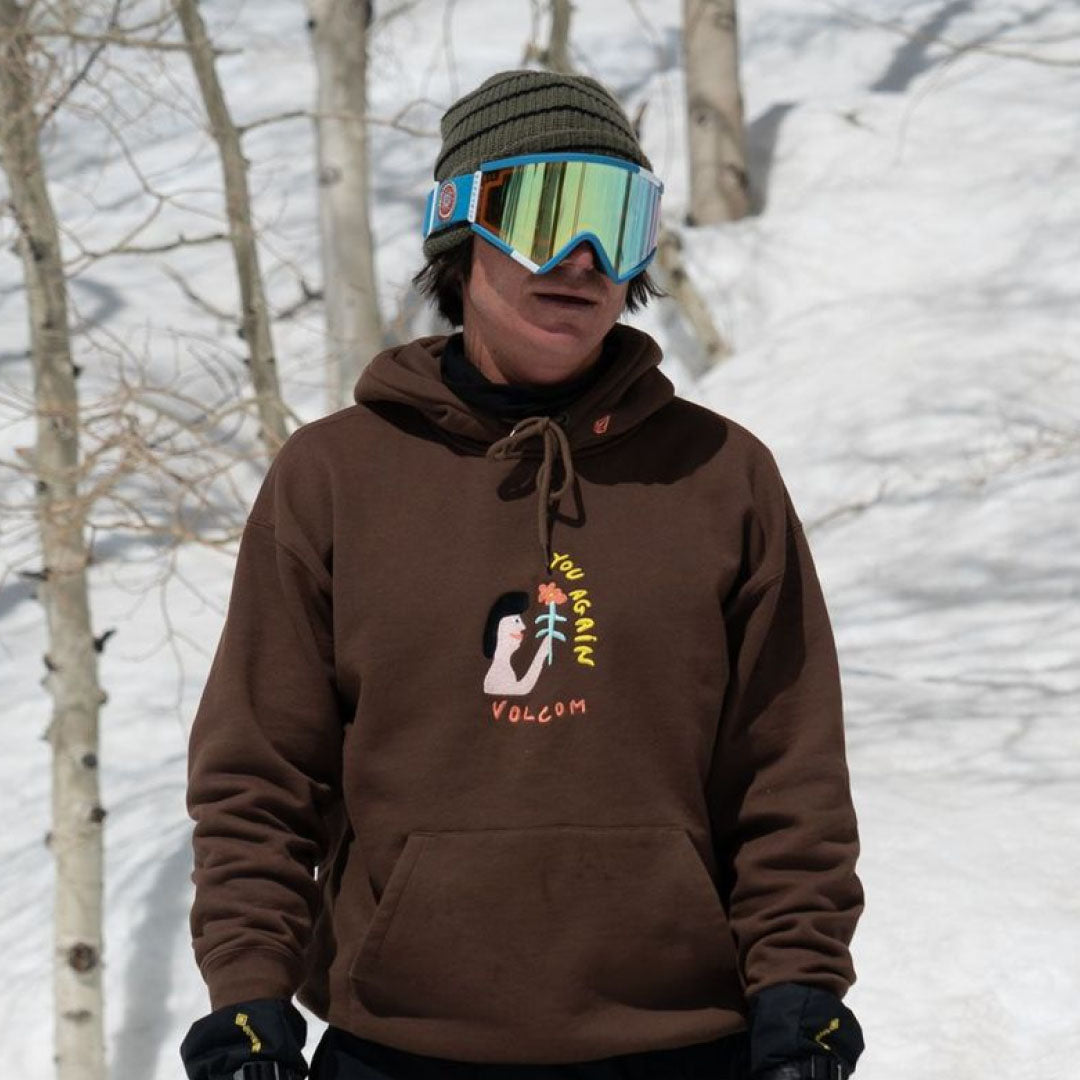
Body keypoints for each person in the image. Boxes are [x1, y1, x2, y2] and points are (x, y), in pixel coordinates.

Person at [180, 70, 865, 1080]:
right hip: (399, 1049)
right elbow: (259, 772)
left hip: (687, 1046)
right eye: (547, 214)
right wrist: (249, 997)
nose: (583, 260)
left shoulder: (720, 476)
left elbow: (786, 768)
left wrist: (801, 991)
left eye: (617, 221)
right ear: (458, 231)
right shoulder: (335, 477)